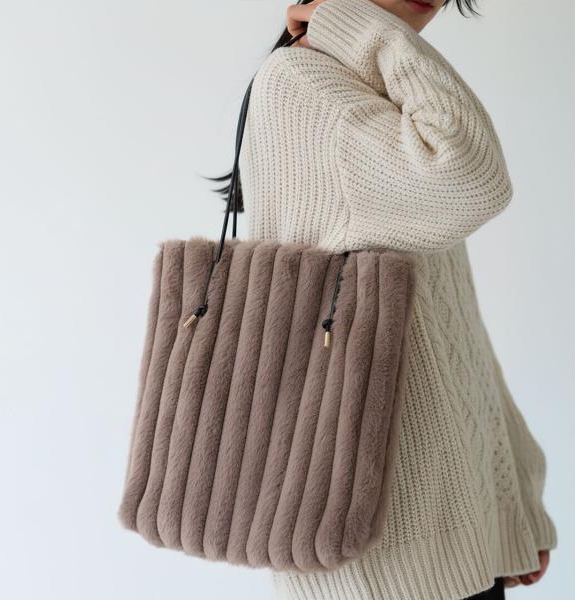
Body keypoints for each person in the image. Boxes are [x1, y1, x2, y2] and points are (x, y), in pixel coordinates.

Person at [232, 0, 557, 598]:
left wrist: (512, 496)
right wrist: (365, 28)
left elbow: (450, 324)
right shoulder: (301, 84)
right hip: (381, 556)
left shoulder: (386, 90)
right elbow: (474, 177)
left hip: (450, 523)